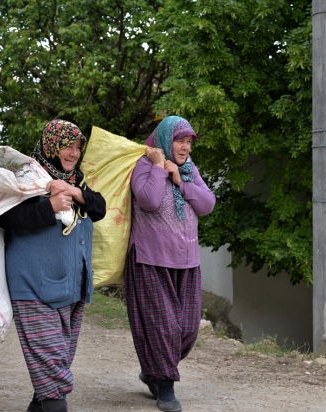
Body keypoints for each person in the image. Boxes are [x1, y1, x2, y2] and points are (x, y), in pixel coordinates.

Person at [0, 120, 106, 412]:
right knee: (54, 378)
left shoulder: (76, 180)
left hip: (71, 285)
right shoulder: (29, 178)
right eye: (67, 146)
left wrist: (75, 193)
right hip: (33, 286)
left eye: (77, 147)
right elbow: (6, 218)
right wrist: (50, 206)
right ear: (51, 145)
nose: (73, 153)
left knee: (55, 364)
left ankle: (42, 403)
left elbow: (99, 207)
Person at [124, 115, 216, 412]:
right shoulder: (143, 166)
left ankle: (153, 370)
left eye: (189, 142)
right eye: (180, 140)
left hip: (187, 261)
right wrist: (158, 167)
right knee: (164, 327)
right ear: (165, 140)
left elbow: (207, 204)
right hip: (150, 258)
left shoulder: (189, 169)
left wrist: (180, 179)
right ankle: (165, 388)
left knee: (187, 329)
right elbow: (148, 200)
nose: (186, 147)